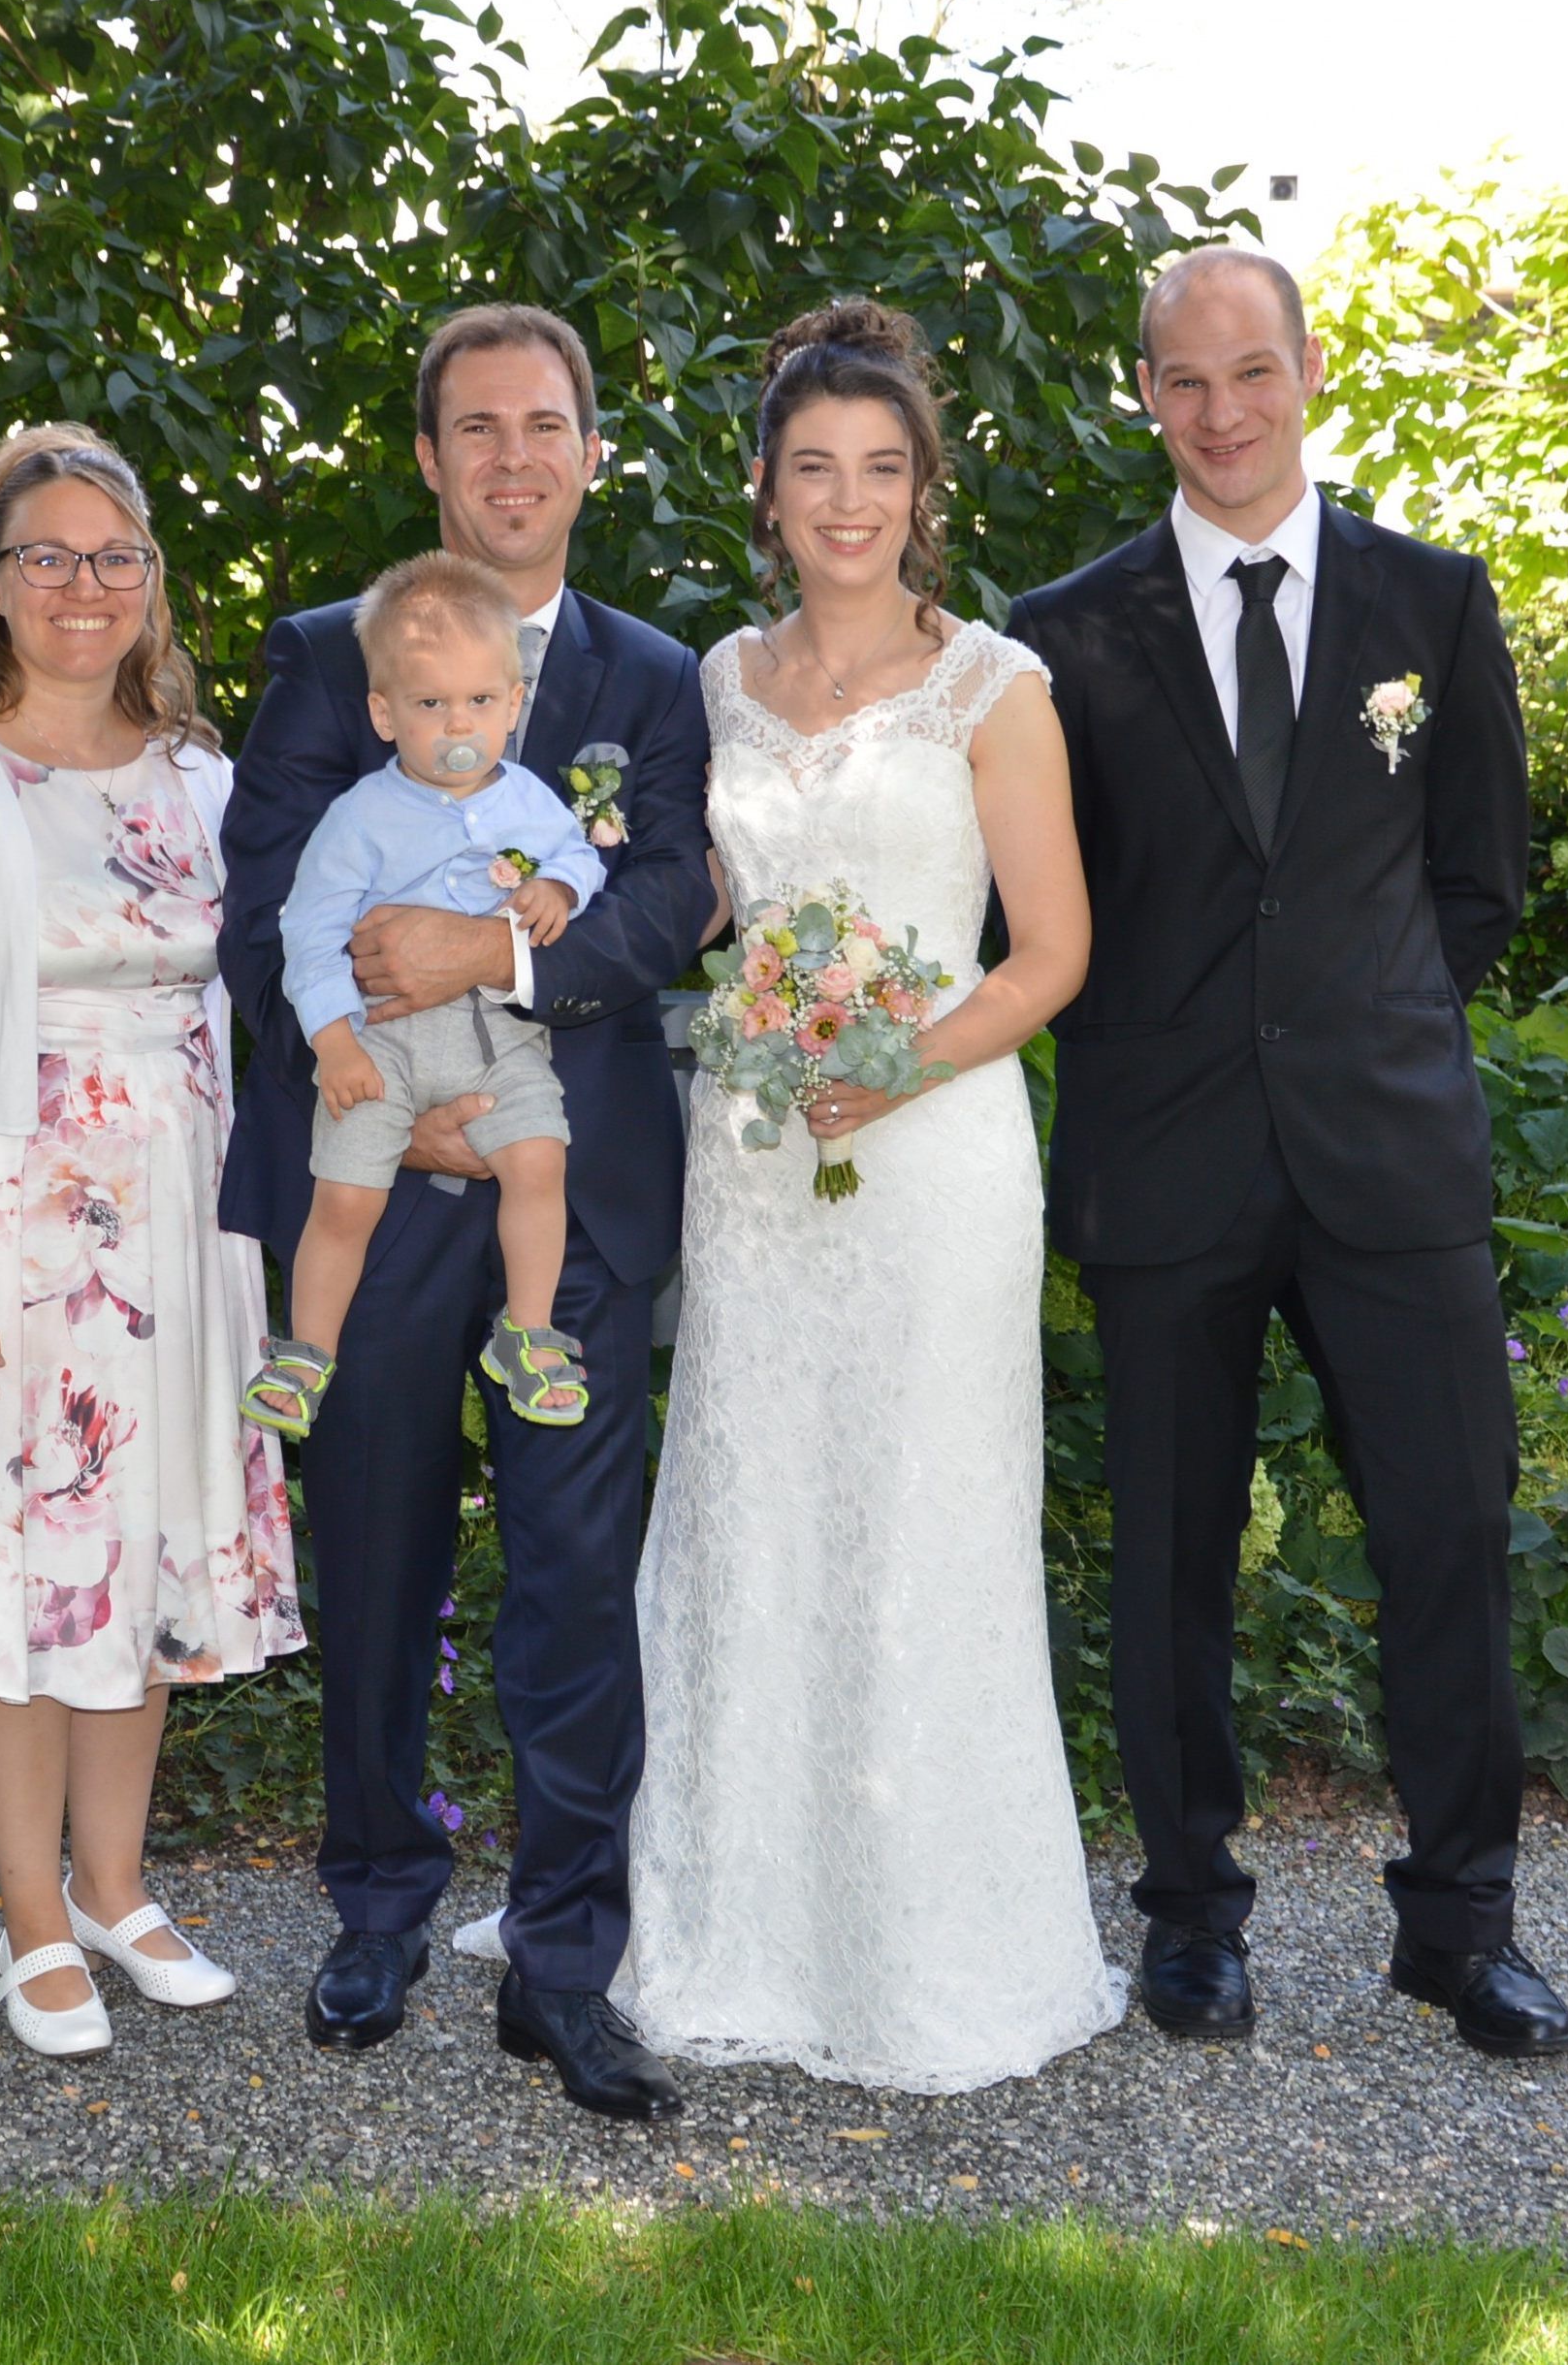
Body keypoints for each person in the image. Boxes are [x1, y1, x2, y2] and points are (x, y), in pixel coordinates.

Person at [1007, 247, 1568, 2060]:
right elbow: (1046, 893)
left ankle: (1461, 1921)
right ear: (1146, 395)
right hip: (1167, 1163)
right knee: (1169, 1555)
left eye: (1254, 370)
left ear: (1312, 372)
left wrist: (1370, 1022)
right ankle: (1191, 1916)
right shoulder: (1065, 630)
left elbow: (1478, 872)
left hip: (1389, 1158)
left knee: (1449, 1530)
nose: (1224, 410)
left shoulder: (1436, 600)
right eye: (1186, 379)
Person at [615, 298, 1124, 2092]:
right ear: (764, 488)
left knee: (921, 1520)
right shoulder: (710, 685)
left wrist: (899, 1058)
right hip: (757, 1159)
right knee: (756, 1504)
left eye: (882, 470)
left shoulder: (997, 685)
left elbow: (1051, 950)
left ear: (925, 489)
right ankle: (737, 1912)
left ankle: (931, 1935)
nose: (849, 501)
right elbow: (696, 906)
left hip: (935, 1150)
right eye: (815, 468)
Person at [218, 304, 718, 2123]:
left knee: (577, 1588)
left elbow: (669, 899)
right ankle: (377, 1903)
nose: (515, 455)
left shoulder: (657, 679)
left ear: (595, 451)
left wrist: (500, 950)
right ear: (428, 457)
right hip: (374, 1186)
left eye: (547, 423)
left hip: (565, 1204)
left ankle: (568, 1959)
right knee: (374, 1563)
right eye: (476, 427)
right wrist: (393, 1096)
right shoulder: (319, 658)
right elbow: (258, 915)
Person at [0, 420, 304, 2061]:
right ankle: (29, 1915)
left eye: (115, 556)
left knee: (151, 1535)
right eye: (47, 556)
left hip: (177, 1223)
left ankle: (115, 1883)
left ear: (154, 581)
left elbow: (279, 1001)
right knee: (15, 1566)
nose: (82, 587)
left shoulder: (212, 782)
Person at [242, 552, 611, 1442]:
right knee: (346, 1195)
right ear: (384, 712)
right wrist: (335, 1043)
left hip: (501, 1036)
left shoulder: (530, 801)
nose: (459, 723)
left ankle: (526, 1333)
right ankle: (306, 1354)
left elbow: (581, 856)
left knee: (538, 1162)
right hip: (386, 1041)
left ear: (514, 703)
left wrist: (558, 889)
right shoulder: (361, 818)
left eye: (481, 702)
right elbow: (309, 931)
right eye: (430, 703)